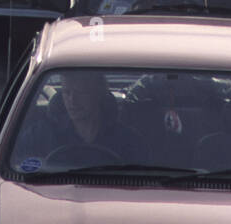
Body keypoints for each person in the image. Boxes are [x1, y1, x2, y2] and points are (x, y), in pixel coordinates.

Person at [11, 69, 143, 170]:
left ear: (98, 94)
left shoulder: (128, 140)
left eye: (80, 92)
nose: (72, 101)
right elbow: (16, 166)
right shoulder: (40, 135)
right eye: (66, 92)